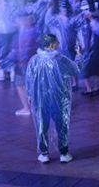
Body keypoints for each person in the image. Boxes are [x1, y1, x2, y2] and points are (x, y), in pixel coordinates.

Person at [25, 33, 79, 164]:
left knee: (41, 124)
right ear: (52, 45)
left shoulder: (34, 60)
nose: (58, 44)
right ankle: (64, 153)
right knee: (62, 124)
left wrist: (30, 95)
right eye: (57, 42)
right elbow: (75, 69)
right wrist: (79, 55)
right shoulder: (60, 60)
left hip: (40, 99)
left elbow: (29, 79)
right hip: (59, 98)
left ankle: (44, 154)